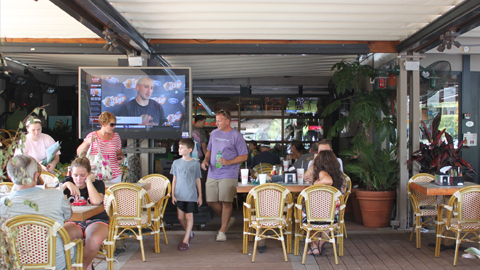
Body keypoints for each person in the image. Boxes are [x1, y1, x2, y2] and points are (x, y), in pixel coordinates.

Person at [0, 155, 72, 270]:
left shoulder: (2, 205)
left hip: (16, 265)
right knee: (75, 246)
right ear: (36, 175)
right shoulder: (55, 195)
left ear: (9, 176)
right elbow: (68, 215)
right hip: (54, 264)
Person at [201, 110, 248, 242]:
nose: (216, 123)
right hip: (212, 172)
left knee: (226, 201)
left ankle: (222, 230)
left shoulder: (236, 135)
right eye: (216, 120)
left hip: (229, 173)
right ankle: (227, 219)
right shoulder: (214, 133)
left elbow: (244, 156)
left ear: (227, 121)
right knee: (210, 200)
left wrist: (228, 162)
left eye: (219, 121)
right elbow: (209, 150)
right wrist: (205, 160)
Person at [61, 152, 109, 270]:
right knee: (60, 238)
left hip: (96, 219)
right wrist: (65, 185)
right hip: (74, 220)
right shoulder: (67, 183)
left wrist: (88, 182)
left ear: (88, 174)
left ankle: (81, 266)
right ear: (71, 174)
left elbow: (96, 201)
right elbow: (51, 199)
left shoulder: (97, 183)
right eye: (75, 175)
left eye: (82, 175)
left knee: (93, 240)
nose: (78, 179)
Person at [305, 150, 344, 256]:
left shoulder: (322, 172)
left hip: (321, 213)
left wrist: (316, 183)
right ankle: (321, 240)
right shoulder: (336, 174)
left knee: (300, 213)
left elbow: (328, 181)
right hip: (333, 214)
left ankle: (316, 243)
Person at [170, 138, 202, 251]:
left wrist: (200, 196)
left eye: (182, 148)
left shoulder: (195, 163)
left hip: (191, 194)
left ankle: (185, 240)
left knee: (189, 216)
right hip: (179, 194)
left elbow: (198, 180)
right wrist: (172, 194)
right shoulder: (176, 163)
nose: (179, 149)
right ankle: (189, 233)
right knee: (180, 217)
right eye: (179, 147)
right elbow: (174, 179)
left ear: (189, 150)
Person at [76, 111, 124, 183]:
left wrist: (120, 157)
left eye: (115, 124)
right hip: (96, 173)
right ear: (103, 124)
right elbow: (79, 152)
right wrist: (87, 142)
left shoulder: (116, 136)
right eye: (112, 125)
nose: (114, 127)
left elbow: (119, 152)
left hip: (114, 173)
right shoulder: (92, 135)